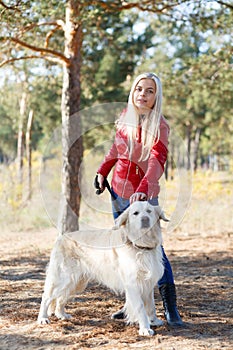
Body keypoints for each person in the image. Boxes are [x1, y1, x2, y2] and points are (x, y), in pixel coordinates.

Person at [96, 72, 183, 327]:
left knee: (155, 251)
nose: (142, 95)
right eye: (139, 89)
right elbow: (115, 150)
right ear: (133, 92)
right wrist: (103, 171)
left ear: (156, 97)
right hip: (119, 194)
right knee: (126, 251)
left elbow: (158, 160)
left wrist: (145, 187)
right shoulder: (125, 118)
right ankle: (131, 306)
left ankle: (171, 308)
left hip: (145, 198)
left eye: (149, 91)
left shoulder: (161, 125)